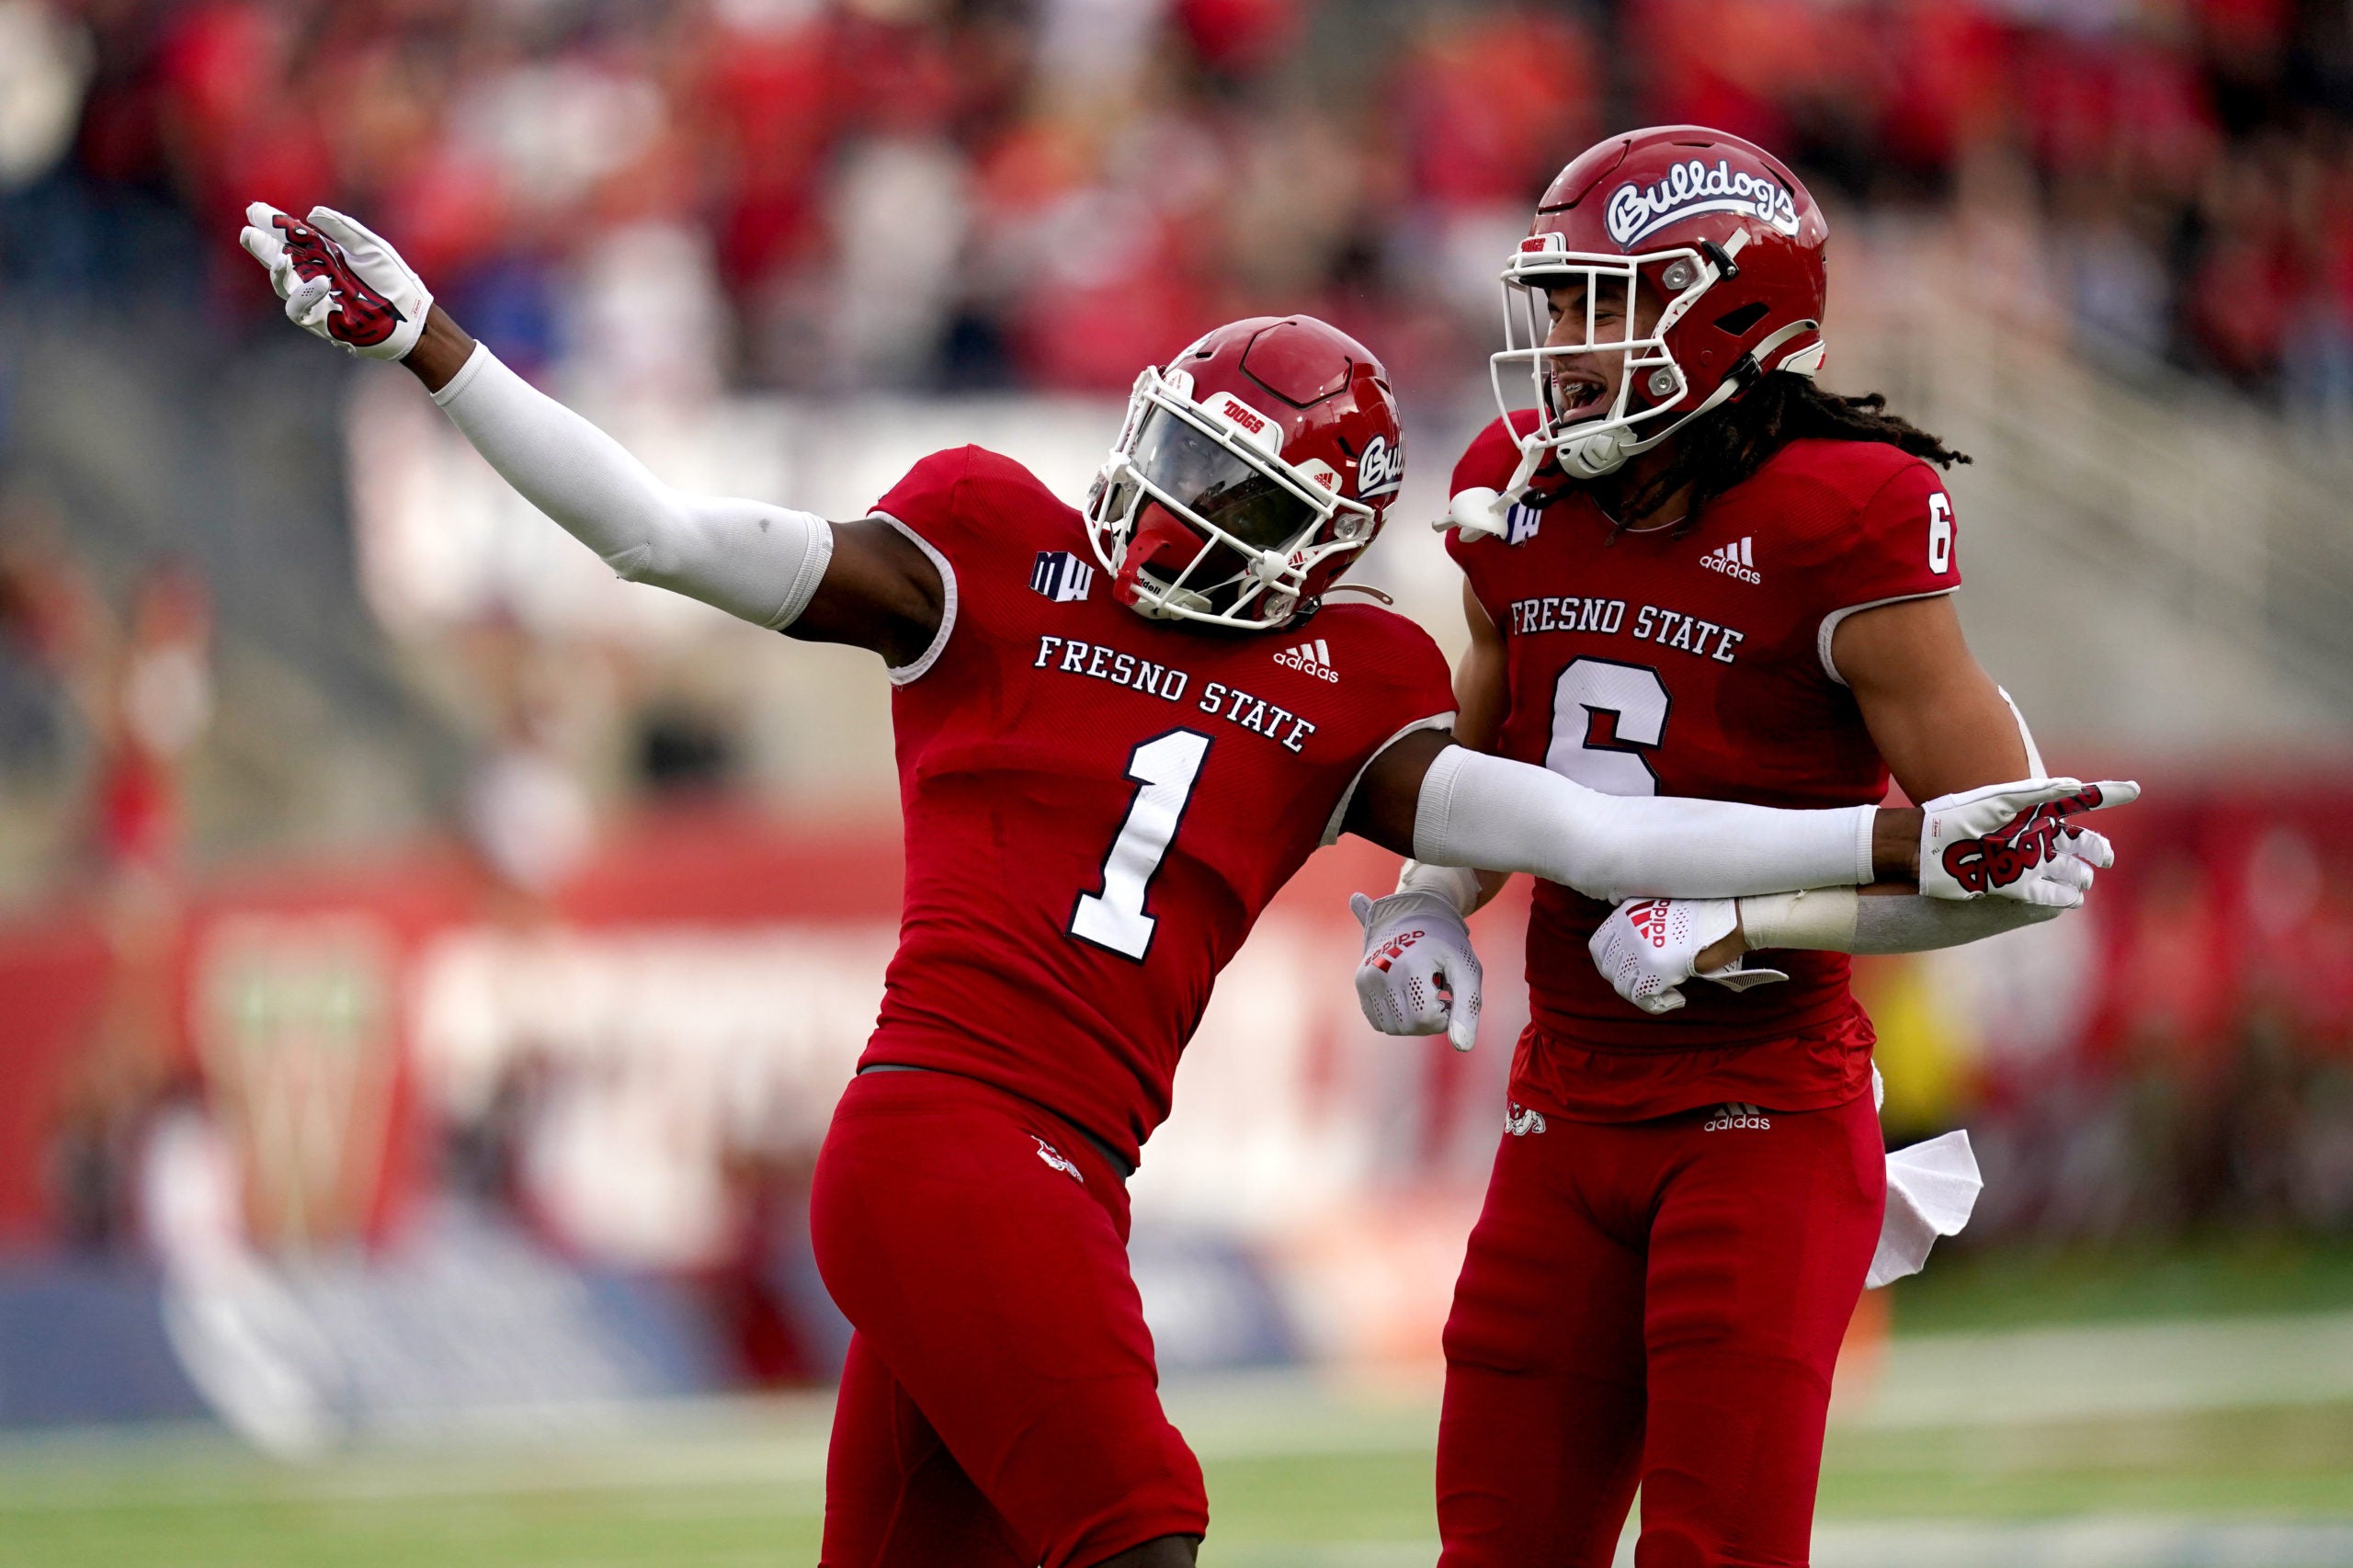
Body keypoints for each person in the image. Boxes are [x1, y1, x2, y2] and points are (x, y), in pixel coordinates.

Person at [239, 198, 2109, 1568]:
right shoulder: (987, 553)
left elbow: (1595, 835)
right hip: (951, 1131)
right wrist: (434, 349)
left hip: (1055, 1174)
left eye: (1233, 495)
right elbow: (654, 532)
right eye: (1174, 464)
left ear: (1319, 549)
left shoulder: (1342, 681)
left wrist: (1890, 842)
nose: (1170, 516)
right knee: (1141, 1530)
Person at [1347, 126, 2138, 1567]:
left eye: (1607, 303)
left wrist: (1748, 923)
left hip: (1761, 1113)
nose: (1567, 347)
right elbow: (1472, 770)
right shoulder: (1513, 491)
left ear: (1731, 312)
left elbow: (2011, 865)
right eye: (1561, 302)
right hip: (1561, 1109)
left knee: (1717, 1553)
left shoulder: (1847, 514)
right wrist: (1425, 903)